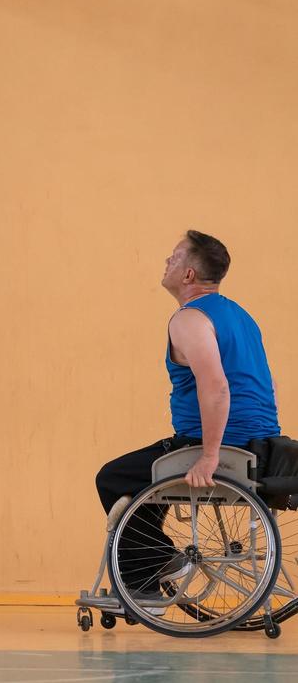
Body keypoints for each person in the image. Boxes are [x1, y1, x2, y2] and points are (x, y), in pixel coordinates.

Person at [95, 230, 281, 603]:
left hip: (222, 443)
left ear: (189, 275)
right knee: (138, 472)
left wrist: (209, 455)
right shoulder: (240, 316)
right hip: (262, 442)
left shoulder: (189, 320)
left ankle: (155, 569)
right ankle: (155, 563)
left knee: (113, 477)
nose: (168, 261)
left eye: (175, 257)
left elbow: (217, 387)